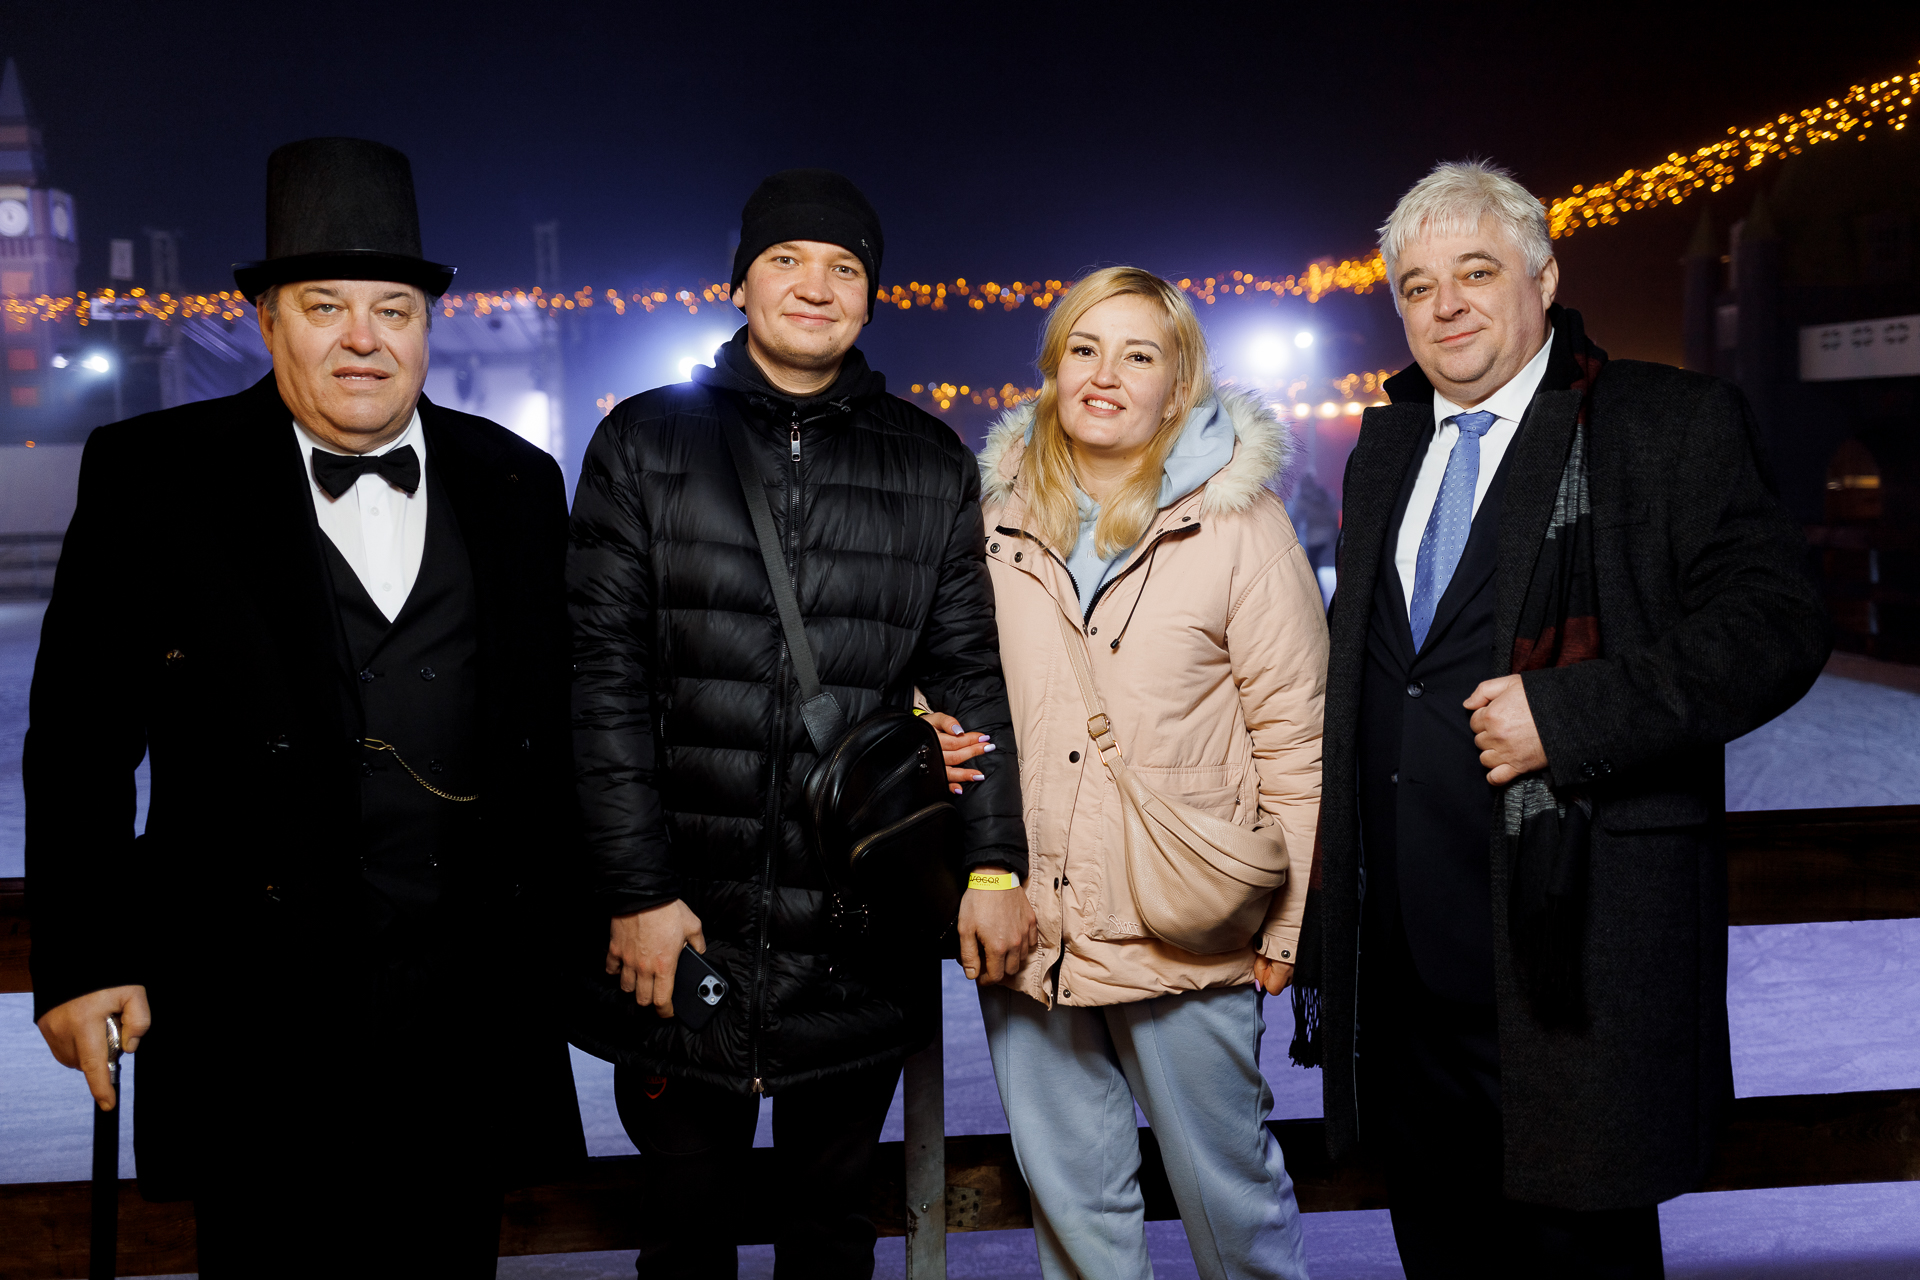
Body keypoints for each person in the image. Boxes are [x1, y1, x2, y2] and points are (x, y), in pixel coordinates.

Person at [25, 137, 585, 1276]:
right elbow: (79, 739)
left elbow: (568, 722)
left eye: (394, 309)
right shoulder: (154, 476)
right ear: (268, 322)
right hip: (252, 1005)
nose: (363, 338)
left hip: (463, 1004)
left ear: (428, 326)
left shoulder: (519, 480)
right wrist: (83, 958)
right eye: (326, 306)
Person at [1291, 160, 1831, 1278]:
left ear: (1543, 278)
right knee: (1440, 1252)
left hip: (1564, 950)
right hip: (1405, 964)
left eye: (1476, 272)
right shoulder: (1386, 446)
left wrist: (1573, 712)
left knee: (1580, 1253)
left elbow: (1779, 626)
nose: (1446, 306)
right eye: (1417, 285)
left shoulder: (1666, 422)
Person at [566, 168, 1032, 1277]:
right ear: (739, 283)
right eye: (786, 260)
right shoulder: (644, 441)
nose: (815, 286)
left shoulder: (929, 459)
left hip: (855, 925)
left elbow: (970, 677)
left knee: (832, 1230)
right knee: (685, 1230)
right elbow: (599, 681)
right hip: (684, 923)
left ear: (871, 296)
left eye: (844, 267)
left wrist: (994, 864)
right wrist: (636, 892)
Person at [942, 265, 1324, 1280]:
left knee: (1234, 1208)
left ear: (1178, 386)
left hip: (1184, 920)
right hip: (1033, 924)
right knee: (1076, 1217)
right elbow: (946, 681)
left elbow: (1295, 739)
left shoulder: (1242, 526)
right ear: (1053, 368)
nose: (1105, 375)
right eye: (1084, 348)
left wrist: (1285, 924)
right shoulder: (987, 519)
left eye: (1137, 354)